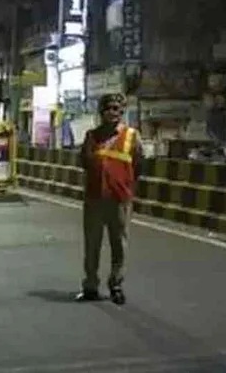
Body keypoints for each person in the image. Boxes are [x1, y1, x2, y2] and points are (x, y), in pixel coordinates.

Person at [76, 93, 142, 305]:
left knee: (119, 244)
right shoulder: (91, 136)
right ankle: (90, 286)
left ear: (122, 111)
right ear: (101, 112)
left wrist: (126, 187)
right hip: (94, 199)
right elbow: (84, 163)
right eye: (108, 108)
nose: (112, 112)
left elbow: (139, 165)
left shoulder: (132, 136)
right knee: (92, 245)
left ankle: (116, 284)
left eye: (116, 108)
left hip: (120, 199)